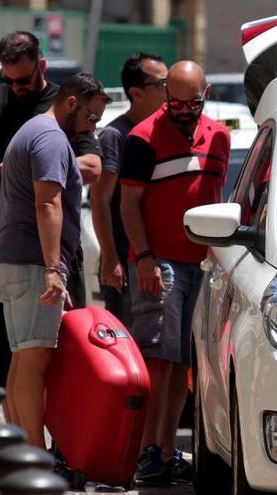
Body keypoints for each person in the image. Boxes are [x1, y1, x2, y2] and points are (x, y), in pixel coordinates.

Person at [0, 31, 102, 388]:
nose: (15, 87)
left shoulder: (66, 105)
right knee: (4, 357)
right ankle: (20, 439)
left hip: (54, 250)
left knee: (59, 355)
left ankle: (53, 442)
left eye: (23, 80)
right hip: (2, 245)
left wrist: (29, 165)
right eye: (7, 79)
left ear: (41, 66)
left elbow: (93, 166)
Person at [119, 60, 230, 485]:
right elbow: (128, 204)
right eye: (177, 102)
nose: (184, 109)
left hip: (203, 262)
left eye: (193, 102)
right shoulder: (142, 138)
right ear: (165, 94)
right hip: (159, 261)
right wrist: (143, 258)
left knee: (186, 362)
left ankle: (165, 450)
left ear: (206, 95)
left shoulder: (218, 136)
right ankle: (147, 449)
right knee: (159, 359)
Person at [0, 73, 109, 448]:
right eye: (91, 117)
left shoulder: (35, 130)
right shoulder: (51, 139)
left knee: (23, 358)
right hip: (30, 263)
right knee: (35, 359)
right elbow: (47, 203)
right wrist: (54, 270)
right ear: (72, 102)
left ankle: (22, 453)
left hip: (14, 260)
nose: (93, 127)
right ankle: (35, 455)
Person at [94, 53, 167, 327]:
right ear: (136, 92)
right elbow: (100, 200)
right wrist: (111, 258)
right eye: (161, 84)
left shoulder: (164, 131)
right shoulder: (116, 136)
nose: (168, 90)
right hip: (125, 261)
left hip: (158, 259)